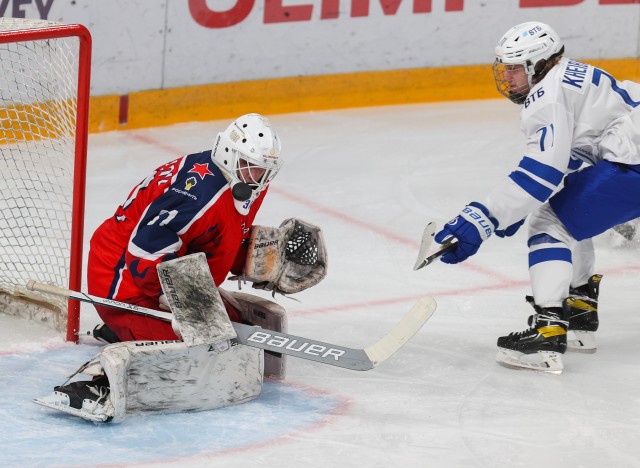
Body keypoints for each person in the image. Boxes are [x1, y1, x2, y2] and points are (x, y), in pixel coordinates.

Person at [35, 114, 326, 422]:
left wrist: (256, 259)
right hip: (123, 278)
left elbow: (213, 236)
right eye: (252, 166)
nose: (258, 177)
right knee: (204, 349)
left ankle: (130, 330)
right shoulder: (196, 194)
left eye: (266, 170)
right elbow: (143, 253)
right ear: (228, 153)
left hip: (162, 269)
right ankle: (94, 379)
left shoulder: (245, 181)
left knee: (231, 329)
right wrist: (176, 301)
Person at [431, 21, 640, 374]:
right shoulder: (572, 74)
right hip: (630, 155)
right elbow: (569, 167)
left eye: (515, 68)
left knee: (550, 225)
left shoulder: (547, 95)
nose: (507, 77)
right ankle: (580, 315)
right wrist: (511, 211)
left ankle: (548, 333)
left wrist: (481, 219)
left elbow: (542, 173)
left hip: (632, 163)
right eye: (505, 68)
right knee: (568, 215)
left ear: (539, 64)